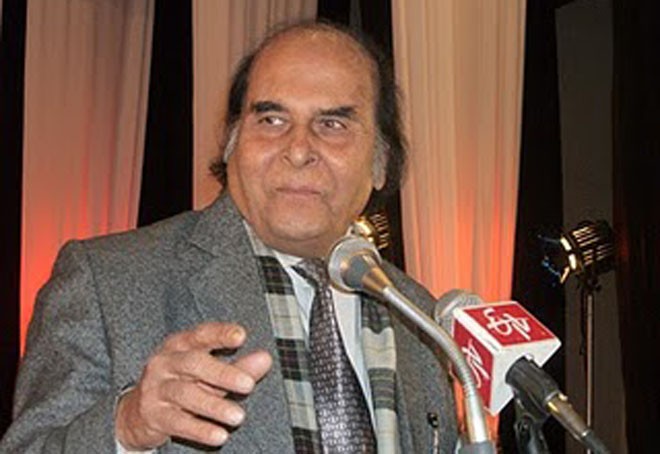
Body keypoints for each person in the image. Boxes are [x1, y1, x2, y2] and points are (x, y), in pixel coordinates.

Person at [0, 21, 458, 453]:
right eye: (272, 120)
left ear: (380, 162)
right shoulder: (105, 281)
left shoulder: (420, 317)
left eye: (332, 124)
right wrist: (127, 427)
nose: (299, 149)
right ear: (232, 143)